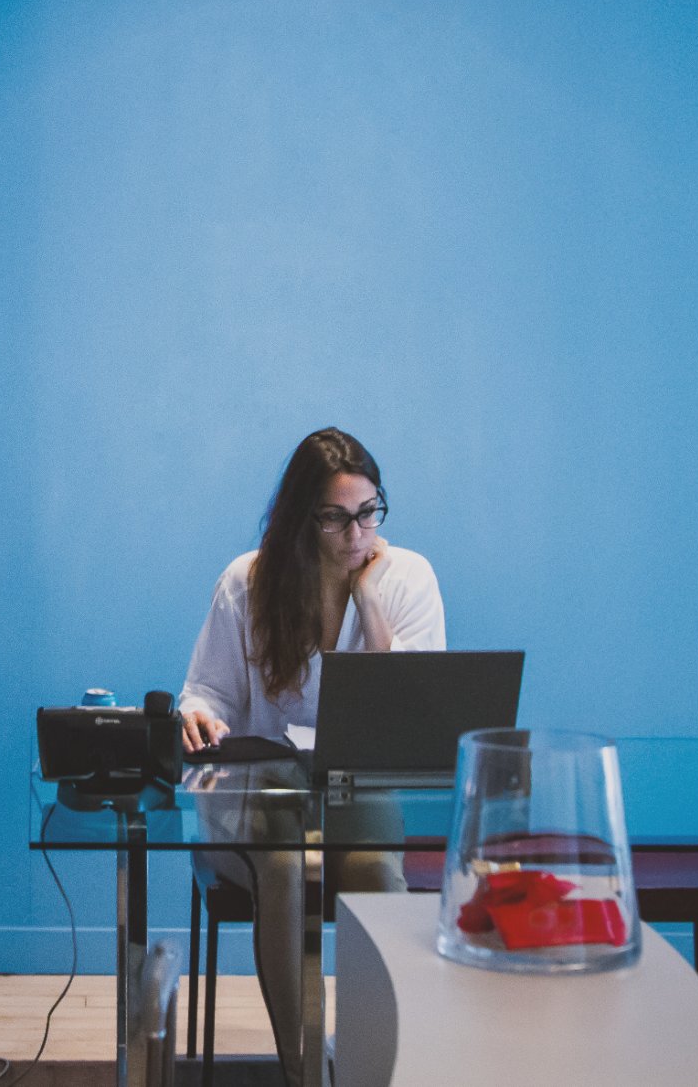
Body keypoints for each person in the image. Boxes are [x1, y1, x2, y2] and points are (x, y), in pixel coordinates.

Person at [178, 427, 446, 1087]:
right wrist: (199, 714)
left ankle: (376, 1066)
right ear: (302, 517)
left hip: (355, 793)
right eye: (335, 517)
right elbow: (205, 691)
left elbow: (410, 718)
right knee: (280, 848)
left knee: (374, 869)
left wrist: (369, 601)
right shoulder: (248, 582)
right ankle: (303, 1071)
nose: (356, 533)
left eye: (369, 511)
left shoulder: (408, 577)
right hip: (264, 801)